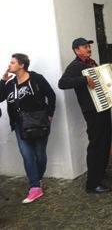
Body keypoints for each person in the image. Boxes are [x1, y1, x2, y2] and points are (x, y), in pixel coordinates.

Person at [58, 38, 112, 194]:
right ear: (77, 50)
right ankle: (92, 183)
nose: (89, 48)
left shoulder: (92, 63)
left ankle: (101, 172)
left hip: (103, 106)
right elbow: (62, 83)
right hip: (91, 110)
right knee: (96, 144)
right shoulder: (75, 66)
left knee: (105, 141)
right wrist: (83, 80)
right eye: (85, 46)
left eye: (89, 46)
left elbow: (105, 84)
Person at [0, 53, 56, 203]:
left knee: (40, 154)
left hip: (39, 122)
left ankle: (36, 180)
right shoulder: (10, 84)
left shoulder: (36, 79)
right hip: (19, 124)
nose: (9, 65)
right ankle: (35, 187)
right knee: (27, 155)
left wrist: (50, 114)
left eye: (12, 62)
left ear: (22, 65)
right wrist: (2, 81)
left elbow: (51, 95)